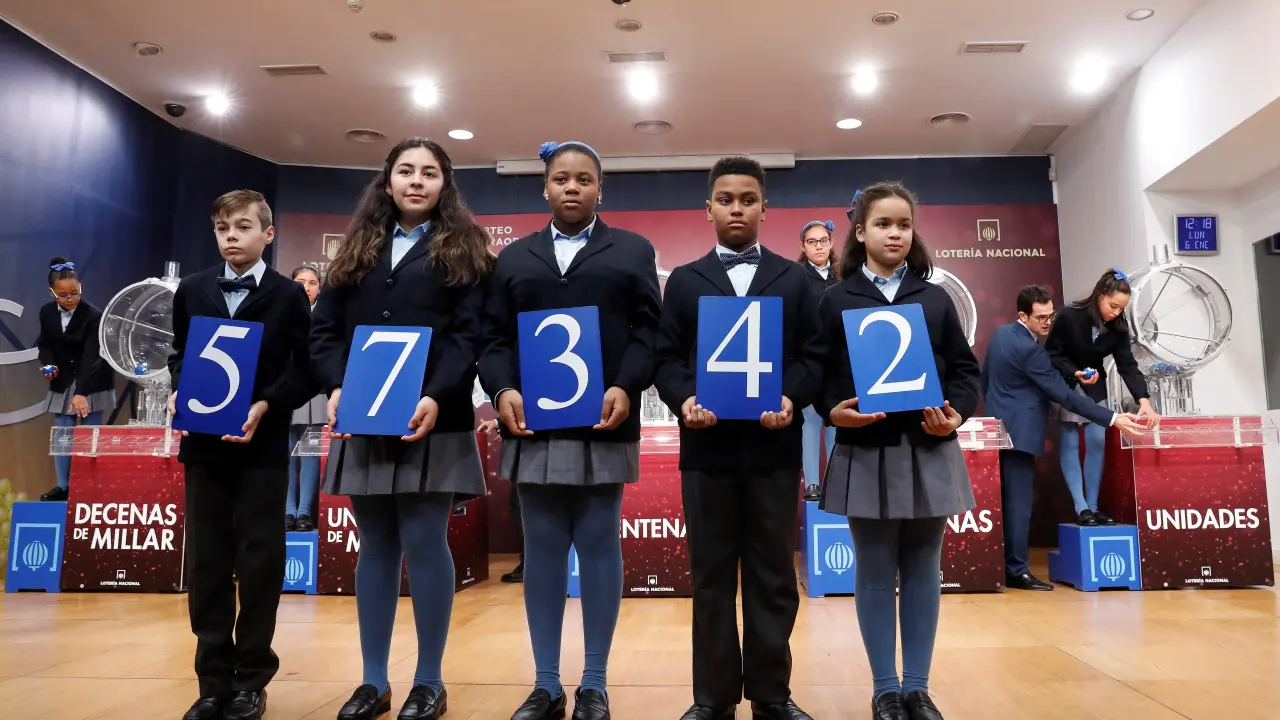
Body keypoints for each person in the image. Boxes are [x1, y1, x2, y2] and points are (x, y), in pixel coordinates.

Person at [478, 140, 661, 720]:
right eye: (562, 179)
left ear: (600, 188)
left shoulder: (632, 250)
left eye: (584, 179)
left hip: (604, 423)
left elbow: (649, 332)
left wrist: (626, 386)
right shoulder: (513, 259)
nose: (573, 187)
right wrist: (502, 389)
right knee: (543, 551)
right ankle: (546, 684)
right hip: (534, 429)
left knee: (601, 545)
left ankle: (595, 683)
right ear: (545, 188)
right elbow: (492, 338)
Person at [312, 138, 493, 720]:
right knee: (376, 546)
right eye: (406, 171)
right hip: (365, 419)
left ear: (445, 184)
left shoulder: (466, 249)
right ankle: (373, 682)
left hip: (432, 419)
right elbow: (324, 331)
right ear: (387, 180)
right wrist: (337, 386)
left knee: (425, 540)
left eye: (429, 173)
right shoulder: (355, 249)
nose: (417, 181)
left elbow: (469, 336)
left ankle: (429, 681)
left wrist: (437, 395)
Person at [655, 156, 823, 720]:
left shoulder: (794, 279)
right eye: (725, 200)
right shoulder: (685, 281)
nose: (736, 209)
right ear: (708, 209)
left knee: (773, 576)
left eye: (747, 200)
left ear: (764, 209)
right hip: (706, 453)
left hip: (775, 451)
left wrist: (790, 397)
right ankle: (713, 697)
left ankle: (772, 695)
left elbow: (812, 357)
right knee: (710, 577)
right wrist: (684, 399)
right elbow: (667, 358)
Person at [816, 182, 979, 720]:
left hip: (928, 448)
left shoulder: (934, 299)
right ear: (860, 232)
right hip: (865, 450)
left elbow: (965, 372)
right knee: (873, 567)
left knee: (923, 567)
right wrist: (831, 410)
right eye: (883, 224)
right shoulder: (834, 300)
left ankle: (917, 688)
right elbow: (818, 374)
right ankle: (885, 689)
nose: (895, 233)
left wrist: (956, 413)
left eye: (904, 225)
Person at [167, 190, 315, 720]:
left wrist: (266, 404)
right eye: (222, 227)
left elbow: (305, 369)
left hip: (263, 449)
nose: (232, 236)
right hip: (203, 448)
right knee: (207, 562)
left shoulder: (289, 295)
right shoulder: (192, 289)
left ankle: (252, 679)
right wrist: (178, 388)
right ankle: (212, 682)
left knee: (260, 562)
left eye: (244, 226)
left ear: (268, 234)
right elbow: (180, 354)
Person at [982, 285, 1146, 592]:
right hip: (1021, 432)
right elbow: (1065, 396)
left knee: (1006, 502)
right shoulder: (1031, 350)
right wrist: (1112, 417)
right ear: (1023, 316)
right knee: (1018, 505)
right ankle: (1016, 570)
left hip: (999, 427)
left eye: (1051, 315)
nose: (1048, 323)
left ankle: (1005, 566)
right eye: (1041, 318)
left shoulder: (1001, 335)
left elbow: (986, 379)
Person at [1045, 268, 1161, 526]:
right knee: (1071, 441)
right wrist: (1075, 372)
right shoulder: (1069, 315)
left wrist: (1144, 401)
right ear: (1100, 295)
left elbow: (1127, 364)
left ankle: (1094, 506)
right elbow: (1052, 354)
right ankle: (1081, 507)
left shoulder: (1119, 327)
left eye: (1122, 308)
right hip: (1067, 383)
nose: (1116, 312)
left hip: (1096, 386)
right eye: (1113, 306)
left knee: (1097, 440)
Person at [36, 257, 116, 501]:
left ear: (81, 287)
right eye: (63, 295)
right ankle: (63, 487)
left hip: (91, 380)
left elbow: (92, 358)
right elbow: (44, 344)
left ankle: (88, 488)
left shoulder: (93, 316)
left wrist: (81, 393)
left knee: (89, 435)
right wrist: (48, 363)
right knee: (63, 434)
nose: (70, 298)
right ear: (52, 293)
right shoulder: (46, 312)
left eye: (75, 293)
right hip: (63, 380)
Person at [796, 220, 840, 500]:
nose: (819, 247)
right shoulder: (796, 278)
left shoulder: (845, 275)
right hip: (809, 359)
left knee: (837, 419)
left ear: (831, 243)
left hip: (839, 362)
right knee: (810, 421)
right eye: (812, 242)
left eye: (823, 240)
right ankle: (812, 483)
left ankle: (835, 483)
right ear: (803, 246)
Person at [287, 264, 326, 532]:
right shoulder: (282, 311)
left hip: (317, 392)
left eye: (312, 283)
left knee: (311, 453)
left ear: (319, 288)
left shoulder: (325, 315)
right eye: (301, 281)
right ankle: (288, 511)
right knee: (288, 452)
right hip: (288, 391)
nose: (307, 287)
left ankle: (304, 513)